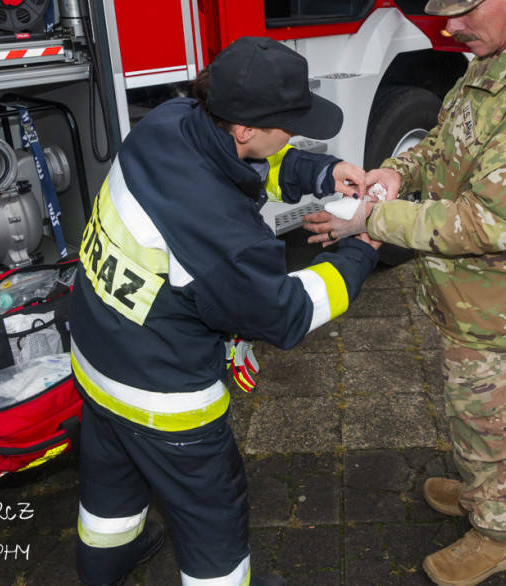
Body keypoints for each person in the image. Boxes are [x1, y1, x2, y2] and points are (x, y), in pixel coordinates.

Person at [304, 0, 506, 586]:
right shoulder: (493, 65)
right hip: (473, 301)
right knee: (473, 411)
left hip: (504, 309)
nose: (450, 26)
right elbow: (444, 141)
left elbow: (492, 224)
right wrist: (399, 171)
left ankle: (497, 534)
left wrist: (376, 218)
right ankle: (479, 489)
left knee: (497, 419)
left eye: (464, 8)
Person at [69, 36, 381, 586]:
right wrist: (361, 249)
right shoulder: (224, 236)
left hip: (96, 355)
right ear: (244, 126)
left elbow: (247, 162)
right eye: (290, 121)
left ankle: (108, 562)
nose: (295, 130)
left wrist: (320, 173)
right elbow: (286, 314)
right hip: (162, 399)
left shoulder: (169, 120)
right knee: (212, 516)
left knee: (110, 485)